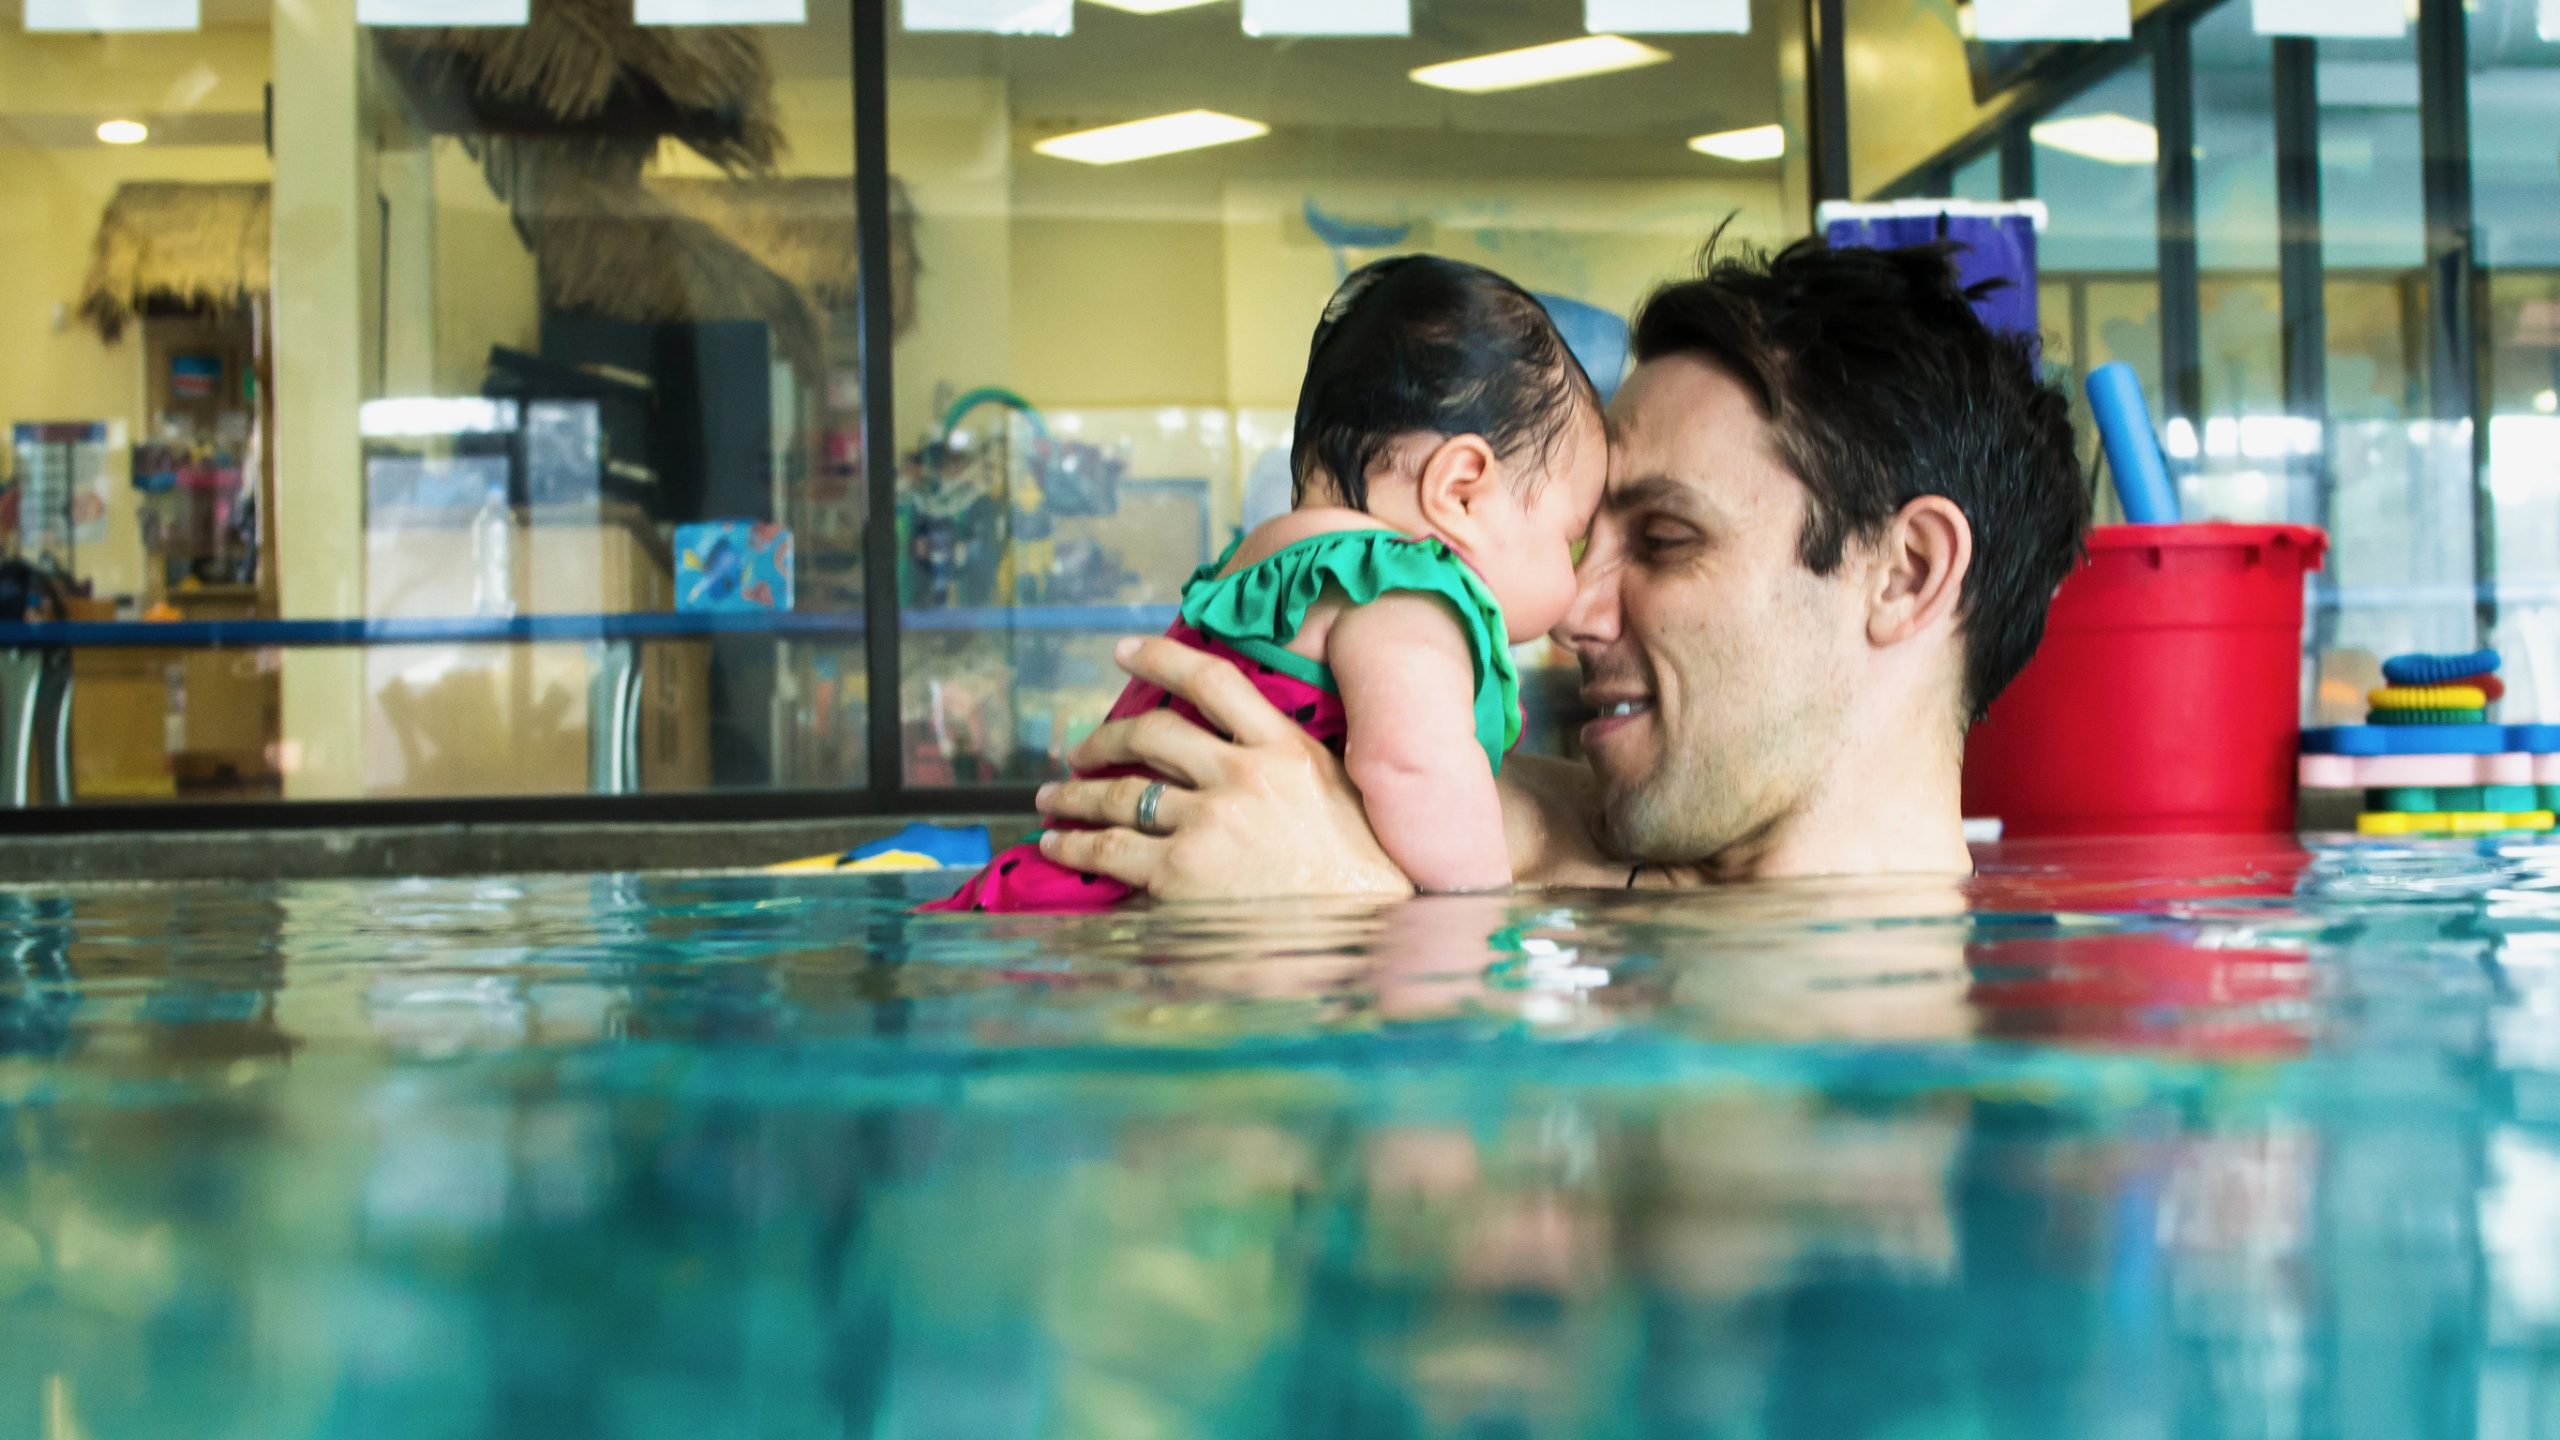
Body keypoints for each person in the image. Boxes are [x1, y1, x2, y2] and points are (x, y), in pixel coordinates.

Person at [1024, 235, 2087, 898]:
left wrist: (1333, 898)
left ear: (1905, 573)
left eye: (1664, 539)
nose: (1570, 612)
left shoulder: (2042, 1041)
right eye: (1581, 540)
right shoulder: (1376, 798)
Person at [923, 253, 1606, 912]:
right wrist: (1491, 910)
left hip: (1067, 882)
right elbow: (1414, 773)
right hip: (1152, 891)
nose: (1577, 577)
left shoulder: (1258, 565)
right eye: (1569, 537)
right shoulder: (1408, 590)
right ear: (1459, 493)